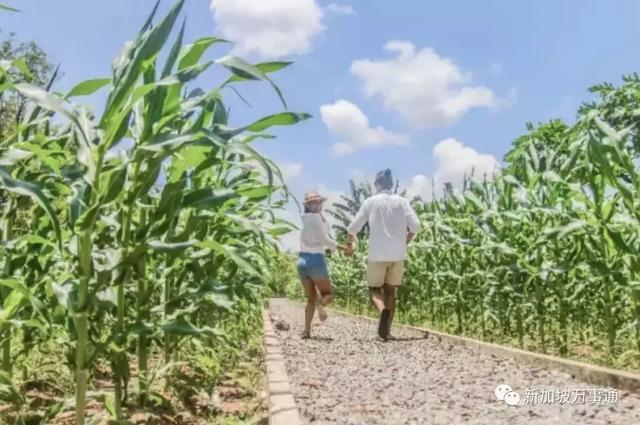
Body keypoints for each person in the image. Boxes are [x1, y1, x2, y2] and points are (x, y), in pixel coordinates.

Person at [346, 169, 421, 340]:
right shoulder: (402, 202)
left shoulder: (371, 202)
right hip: (398, 255)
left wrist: (351, 240)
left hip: (377, 254)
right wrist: (406, 240)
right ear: (392, 184)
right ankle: (387, 332)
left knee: (373, 289)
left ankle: (382, 312)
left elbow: (353, 227)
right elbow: (416, 226)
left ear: (377, 185)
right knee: (391, 292)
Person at [297, 191, 351, 339]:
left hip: (301, 261)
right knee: (328, 294)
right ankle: (320, 305)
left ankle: (306, 331)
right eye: (313, 202)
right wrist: (343, 249)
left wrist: (321, 215)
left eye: (318, 202)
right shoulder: (316, 219)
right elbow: (325, 239)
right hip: (316, 260)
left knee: (310, 299)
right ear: (308, 205)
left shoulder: (306, 219)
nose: (316, 204)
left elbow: (323, 229)